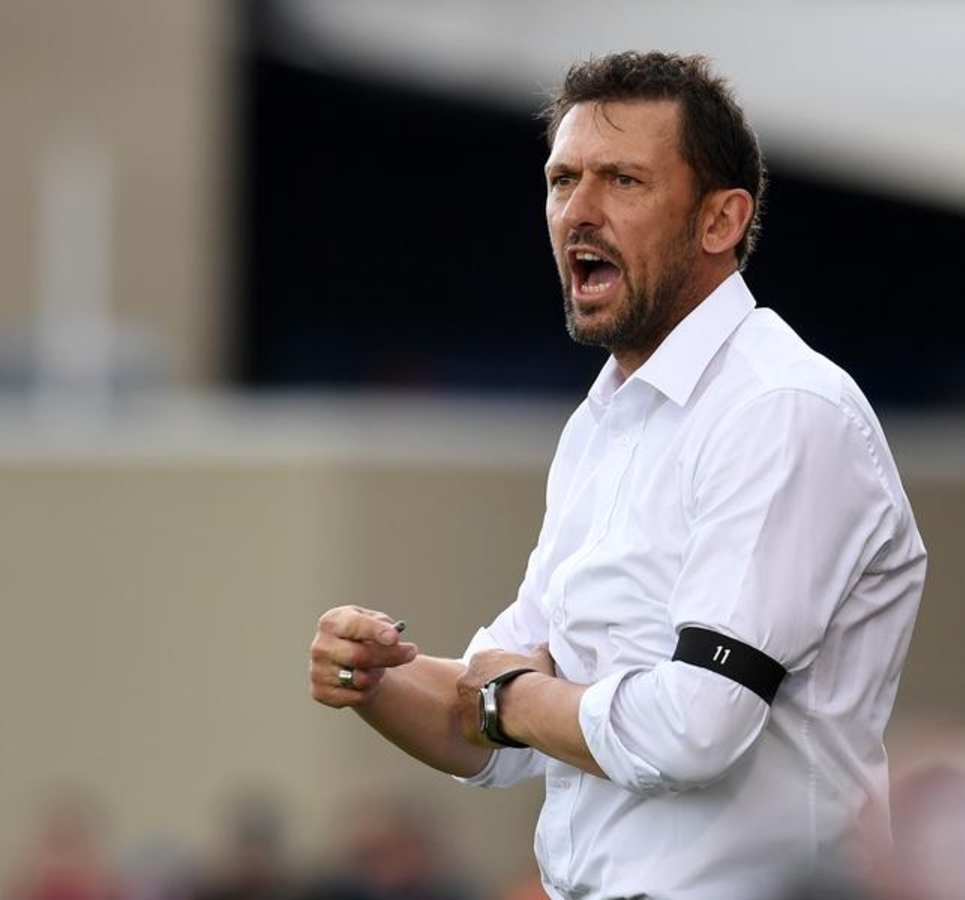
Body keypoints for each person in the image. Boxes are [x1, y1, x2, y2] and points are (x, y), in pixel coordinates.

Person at [309, 50, 926, 900]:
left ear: (721, 220)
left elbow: (693, 727)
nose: (579, 212)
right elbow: (486, 725)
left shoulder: (781, 407)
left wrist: (513, 700)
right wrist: (371, 679)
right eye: (563, 181)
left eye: (624, 181)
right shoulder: (603, 424)